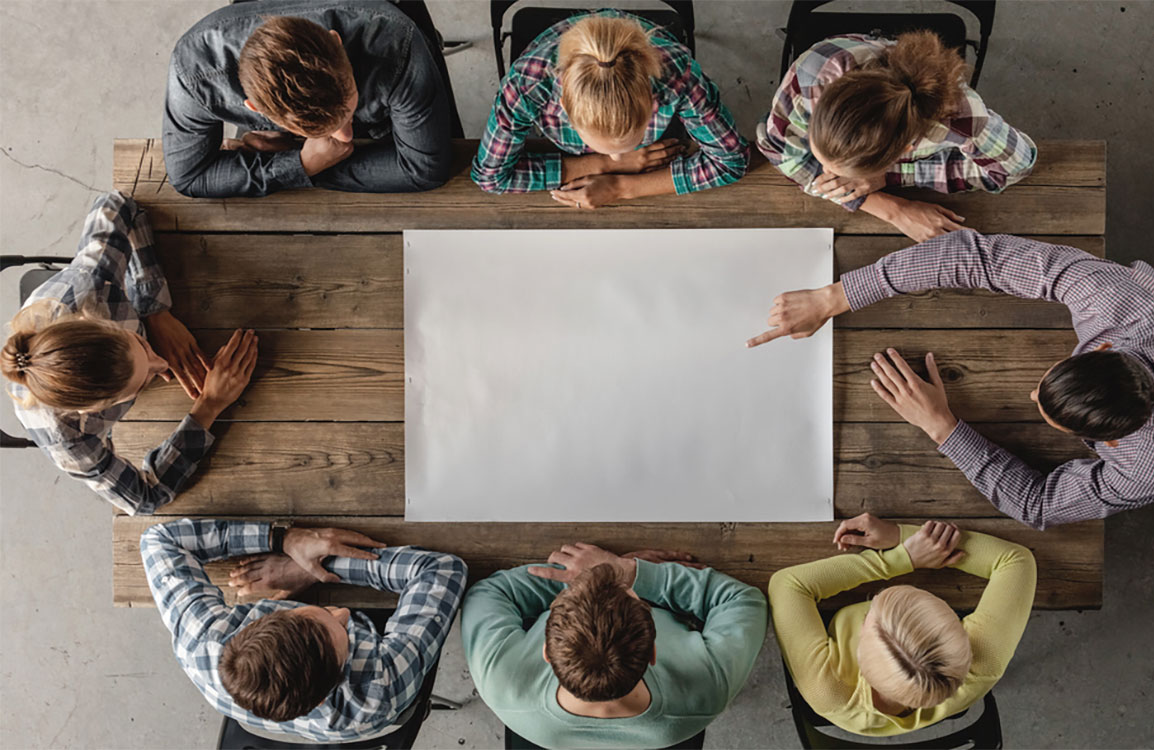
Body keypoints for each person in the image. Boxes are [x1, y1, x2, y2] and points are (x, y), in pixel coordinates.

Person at [747, 231, 1154, 529]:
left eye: (1046, 410)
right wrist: (834, 297)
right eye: (1046, 385)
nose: (1032, 392)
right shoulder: (1112, 299)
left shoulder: (1152, 468)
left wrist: (943, 428)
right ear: (1100, 348)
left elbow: (1038, 504)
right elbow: (982, 258)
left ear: (1109, 442)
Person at [0, 191, 258, 515]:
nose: (163, 363)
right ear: (96, 411)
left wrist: (154, 311)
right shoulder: (70, 441)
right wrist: (208, 407)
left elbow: (118, 204)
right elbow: (145, 498)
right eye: (145, 379)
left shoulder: (89, 285)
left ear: (100, 323)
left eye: (143, 346)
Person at [141, 518, 467, 742]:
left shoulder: (202, 645)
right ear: (335, 681)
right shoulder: (382, 685)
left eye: (321, 614)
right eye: (343, 633)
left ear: (261, 620)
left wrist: (284, 539)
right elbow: (442, 570)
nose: (342, 612)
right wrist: (315, 567)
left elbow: (159, 540)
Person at [461, 542, 767, 748]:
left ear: (546, 652)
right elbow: (744, 601)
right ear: (653, 653)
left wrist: (586, 575)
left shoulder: (500, 680)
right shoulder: (707, 688)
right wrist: (631, 573)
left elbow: (488, 592)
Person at [769, 513, 1036, 737]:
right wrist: (900, 535)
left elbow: (787, 584)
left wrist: (902, 555)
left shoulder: (829, 690)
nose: (871, 603)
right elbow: (1016, 561)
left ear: (860, 646)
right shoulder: (983, 660)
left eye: (870, 612)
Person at [757, 32, 1036, 242]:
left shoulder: (962, 118)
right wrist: (892, 208)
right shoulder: (815, 73)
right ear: (825, 103)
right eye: (822, 161)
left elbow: (1016, 166)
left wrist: (892, 177)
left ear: (905, 149)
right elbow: (776, 147)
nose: (829, 177)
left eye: (834, 172)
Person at [163, 0, 451, 197]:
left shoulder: (398, 45)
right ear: (256, 108)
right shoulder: (195, 73)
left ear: (335, 41)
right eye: (316, 130)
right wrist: (304, 163)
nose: (346, 136)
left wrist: (298, 167)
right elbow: (189, 178)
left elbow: (425, 170)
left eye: (348, 111)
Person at [471, 9, 749, 209]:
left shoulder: (676, 74)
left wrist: (621, 187)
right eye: (607, 150)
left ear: (653, 102)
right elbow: (490, 177)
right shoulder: (527, 84)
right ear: (564, 107)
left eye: (633, 141)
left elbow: (732, 161)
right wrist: (600, 164)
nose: (619, 157)